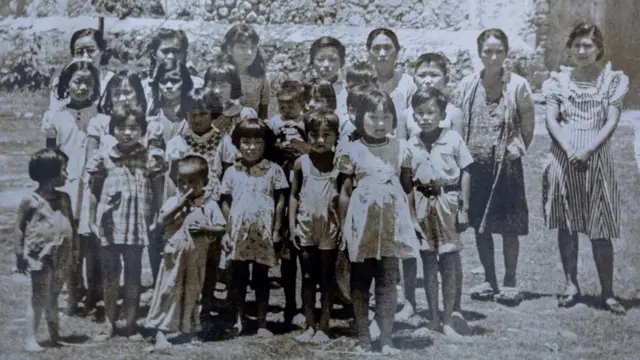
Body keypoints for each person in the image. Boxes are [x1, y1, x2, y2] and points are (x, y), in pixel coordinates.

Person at [542, 23, 629, 315]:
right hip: (564, 156)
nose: (582, 51)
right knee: (567, 223)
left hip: (596, 157)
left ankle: (607, 291)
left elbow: (611, 121)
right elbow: (552, 119)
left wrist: (588, 149)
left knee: (599, 226)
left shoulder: (612, 80)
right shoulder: (557, 81)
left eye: (588, 46)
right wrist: (569, 150)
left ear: (598, 49)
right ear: (569, 48)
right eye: (577, 45)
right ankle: (571, 285)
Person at [451, 28, 535, 305]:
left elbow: (527, 124)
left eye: (499, 50)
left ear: (506, 53)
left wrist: (516, 149)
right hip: (476, 169)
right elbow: (458, 122)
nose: (493, 56)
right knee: (481, 226)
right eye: (488, 50)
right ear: (479, 53)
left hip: (507, 169)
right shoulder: (467, 84)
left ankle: (510, 282)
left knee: (509, 226)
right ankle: (489, 279)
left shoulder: (518, 85)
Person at [336, 89, 421, 355]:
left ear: (394, 120)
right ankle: (363, 337)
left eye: (385, 117)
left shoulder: (400, 148)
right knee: (361, 280)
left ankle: (386, 338)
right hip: (362, 226)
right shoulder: (352, 150)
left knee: (387, 280)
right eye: (373, 116)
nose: (379, 122)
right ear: (360, 118)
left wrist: (413, 221)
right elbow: (345, 193)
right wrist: (343, 228)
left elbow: (407, 189)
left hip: (392, 225)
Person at [86, 107, 166, 340]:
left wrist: (156, 218)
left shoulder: (150, 157)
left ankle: (131, 324)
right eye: (121, 128)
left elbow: (158, 191)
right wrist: (92, 219)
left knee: (133, 275)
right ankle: (109, 323)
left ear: (142, 130)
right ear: (112, 130)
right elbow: (93, 191)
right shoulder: (104, 157)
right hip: (110, 224)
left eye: (133, 128)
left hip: (137, 225)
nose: (127, 133)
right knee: (110, 275)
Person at [41, 58, 110, 315]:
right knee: (70, 244)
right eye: (77, 81)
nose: (82, 88)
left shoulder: (100, 115)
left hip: (93, 186)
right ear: (66, 84)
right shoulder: (55, 116)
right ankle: (73, 294)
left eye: (88, 83)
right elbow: (50, 155)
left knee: (92, 241)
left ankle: (95, 294)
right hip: (68, 186)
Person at [406, 86, 473, 339]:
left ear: (442, 113)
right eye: (419, 112)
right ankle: (433, 316)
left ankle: (449, 317)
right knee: (428, 261)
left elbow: (467, 171)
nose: (425, 117)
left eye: (430, 112)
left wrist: (464, 208)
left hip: (447, 201)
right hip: (422, 204)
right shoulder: (410, 144)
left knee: (448, 260)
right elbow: (407, 183)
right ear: (413, 116)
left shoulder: (453, 139)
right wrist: (411, 216)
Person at [144, 155, 226, 349]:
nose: (186, 187)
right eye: (181, 181)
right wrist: (179, 205)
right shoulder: (173, 202)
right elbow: (161, 222)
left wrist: (206, 228)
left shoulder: (209, 205)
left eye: (192, 182)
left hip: (196, 258)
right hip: (174, 256)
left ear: (204, 183)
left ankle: (189, 330)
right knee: (168, 291)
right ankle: (161, 332)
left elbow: (221, 227)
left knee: (192, 292)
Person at [219, 118, 288, 338]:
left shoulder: (273, 170)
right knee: (238, 277)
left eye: (257, 142)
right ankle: (239, 319)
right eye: (246, 141)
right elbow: (225, 201)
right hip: (238, 233)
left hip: (263, 233)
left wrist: (277, 230)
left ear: (265, 144)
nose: (251, 147)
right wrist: (228, 229)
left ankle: (261, 323)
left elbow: (280, 201)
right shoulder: (232, 172)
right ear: (238, 144)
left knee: (261, 278)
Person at [165, 88, 225, 315]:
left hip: (212, 205)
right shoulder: (178, 142)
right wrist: (176, 206)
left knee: (211, 257)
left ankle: (207, 302)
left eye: (203, 113)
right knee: (187, 254)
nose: (197, 119)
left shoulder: (222, 140)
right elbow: (172, 177)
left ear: (212, 114)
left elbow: (226, 174)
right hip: (185, 207)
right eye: (193, 114)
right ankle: (183, 304)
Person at [288, 109, 340, 344]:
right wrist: (291, 226)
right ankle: (309, 324)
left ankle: (325, 326)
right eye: (314, 135)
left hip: (330, 228)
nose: (320, 140)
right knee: (308, 277)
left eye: (326, 134)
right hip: (306, 227)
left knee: (327, 278)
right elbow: (294, 195)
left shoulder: (340, 163)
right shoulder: (301, 163)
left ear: (336, 136)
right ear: (307, 136)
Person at [15, 148, 74, 352]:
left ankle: (54, 336)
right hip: (39, 255)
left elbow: (70, 225)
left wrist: (74, 251)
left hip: (62, 253)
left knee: (54, 295)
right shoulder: (30, 200)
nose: (68, 174)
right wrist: (18, 254)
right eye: (64, 170)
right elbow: (19, 228)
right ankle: (31, 338)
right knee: (38, 296)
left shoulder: (65, 198)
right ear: (51, 174)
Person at [365, 28, 417, 140]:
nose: (382, 54)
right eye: (376, 49)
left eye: (387, 48)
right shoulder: (361, 83)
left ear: (397, 52)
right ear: (369, 53)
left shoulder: (408, 84)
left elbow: (415, 124)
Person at [49, 28, 114, 111]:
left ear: (101, 51)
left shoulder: (111, 81)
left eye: (91, 50)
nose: (85, 56)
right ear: (73, 55)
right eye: (79, 52)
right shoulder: (61, 82)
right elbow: (55, 114)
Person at [408, 52, 464, 137]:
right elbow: (401, 146)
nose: (427, 81)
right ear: (414, 80)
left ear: (446, 80)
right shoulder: (406, 114)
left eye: (434, 75)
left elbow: (458, 147)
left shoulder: (454, 114)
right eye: (422, 75)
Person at [221, 23, 270, 119]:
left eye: (252, 47)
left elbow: (263, 114)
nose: (249, 52)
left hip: (250, 131)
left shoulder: (261, 78)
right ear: (229, 49)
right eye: (242, 47)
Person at [143, 28, 203, 101]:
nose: (171, 57)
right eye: (165, 51)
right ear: (154, 54)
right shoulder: (142, 88)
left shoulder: (199, 86)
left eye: (176, 51)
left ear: (185, 55)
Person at [308, 36, 348, 125]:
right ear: (312, 61)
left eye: (332, 59)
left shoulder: (348, 90)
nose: (326, 64)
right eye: (320, 59)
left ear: (341, 63)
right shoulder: (304, 90)